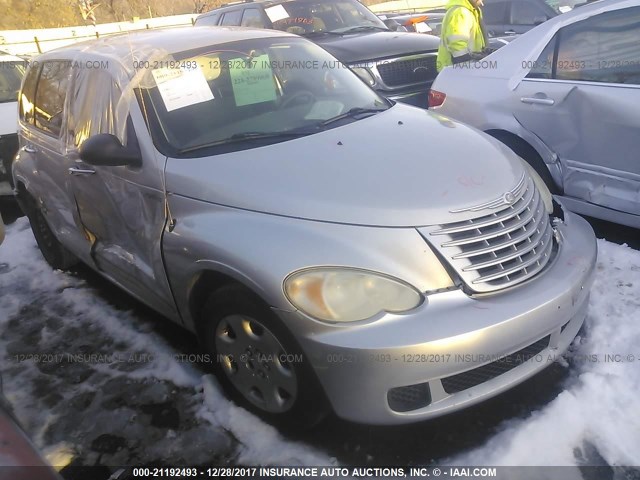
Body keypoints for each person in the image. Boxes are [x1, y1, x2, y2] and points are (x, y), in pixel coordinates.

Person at [436, 0, 490, 72]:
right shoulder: (460, 12)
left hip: (464, 68)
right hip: (458, 69)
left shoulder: (470, 11)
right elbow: (457, 45)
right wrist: (469, 66)